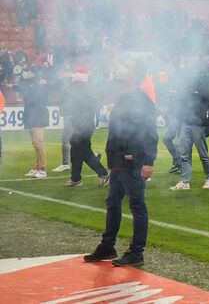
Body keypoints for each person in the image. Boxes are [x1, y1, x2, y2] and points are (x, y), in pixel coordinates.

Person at [84, 62, 157, 267]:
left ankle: (136, 252)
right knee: (113, 203)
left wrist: (148, 161)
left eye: (128, 68)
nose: (121, 70)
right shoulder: (124, 98)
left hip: (133, 161)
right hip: (118, 162)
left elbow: (150, 131)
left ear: (135, 76)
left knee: (137, 205)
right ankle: (108, 246)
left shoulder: (141, 100)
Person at [169, 63, 209, 191]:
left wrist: (208, 124)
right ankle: (185, 181)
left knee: (203, 154)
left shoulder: (203, 88)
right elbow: (181, 106)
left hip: (198, 125)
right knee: (184, 155)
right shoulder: (185, 88)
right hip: (185, 124)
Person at [61, 68, 109, 188]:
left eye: (75, 74)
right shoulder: (82, 89)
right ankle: (76, 178)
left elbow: (85, 111)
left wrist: (78, 127)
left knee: (83, 152)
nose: (73, 76)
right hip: (82, 125)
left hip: (84, 125)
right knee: (76, 152)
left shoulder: (85, 91)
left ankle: (103, 174)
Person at [19, 67, 51, 178]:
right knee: (35, 144)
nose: (26, 73)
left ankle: (43, 169)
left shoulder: (40, 84)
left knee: (39, 143)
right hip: (31, 117)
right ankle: (37, 167)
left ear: (33, 73)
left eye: (28, 71)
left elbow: (36, 95)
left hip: (39, 117)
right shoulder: (30, 84)